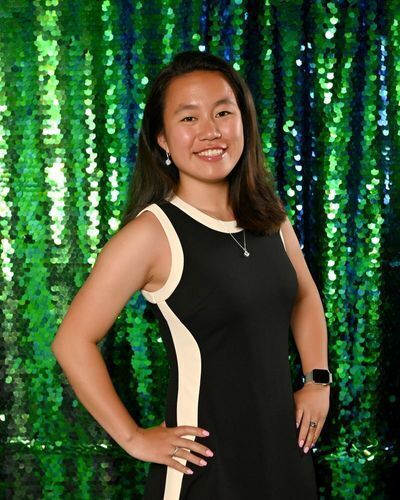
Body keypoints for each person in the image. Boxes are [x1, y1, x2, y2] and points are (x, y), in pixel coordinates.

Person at [51, 50, 331, 499]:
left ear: (244, 122)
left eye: (224, 112)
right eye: (188, 119)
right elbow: (71, 341)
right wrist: (133, 437)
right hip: (206, 468)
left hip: (285, 452)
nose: (211, 132)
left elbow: (304, 298)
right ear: (162, 139)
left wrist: (318, 381)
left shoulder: (270, 217)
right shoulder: (152, 234)